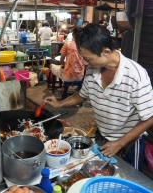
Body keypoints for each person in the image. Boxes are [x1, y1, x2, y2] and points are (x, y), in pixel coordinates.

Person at [44, 23, 153, 172]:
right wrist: (60, 103)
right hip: (103, 137)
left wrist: (119, 143)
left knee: (127, 179)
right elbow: (82, 95)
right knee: (102, 175)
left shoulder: (136, 76)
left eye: (87, 58)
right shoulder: (92, 70)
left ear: (106, 52)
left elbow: (150, 117)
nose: (83, 62)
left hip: (128, 143)